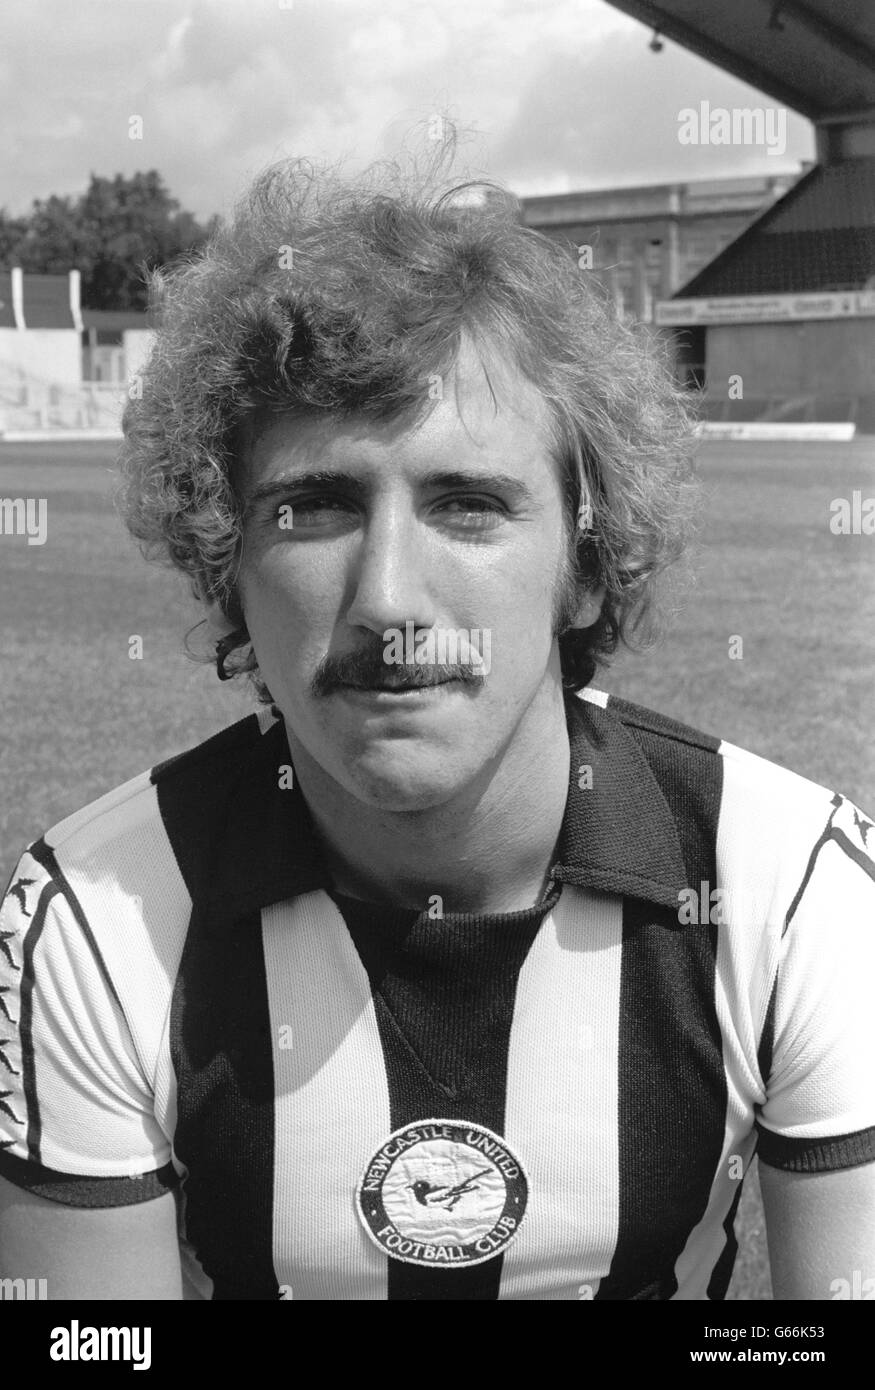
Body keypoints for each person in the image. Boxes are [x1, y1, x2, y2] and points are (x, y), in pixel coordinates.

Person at [1, 150, 873, 1302]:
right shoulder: (97, 919)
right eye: (312, 507)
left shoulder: (792, 883)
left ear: (584, 569)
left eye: (467, 504)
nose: (387, 602)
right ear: (229, 566)